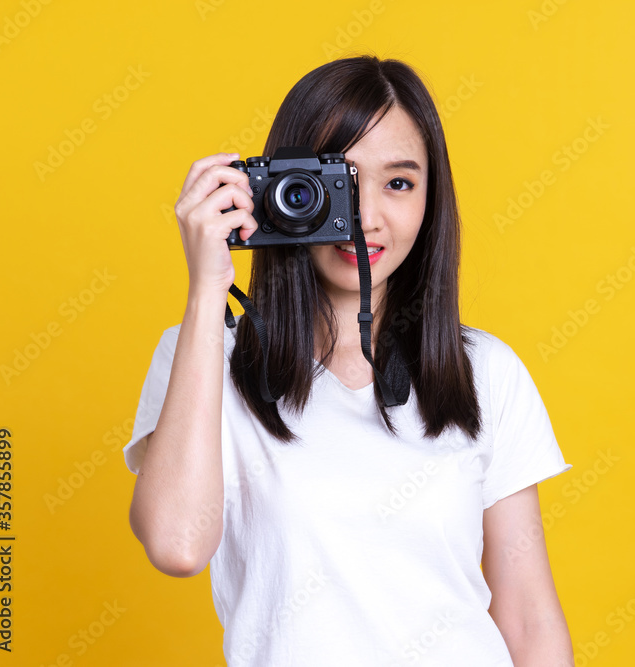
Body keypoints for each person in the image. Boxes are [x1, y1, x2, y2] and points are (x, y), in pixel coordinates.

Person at [123, 55, 573, 666]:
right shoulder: (202, 356)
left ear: (430, 200)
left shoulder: (483, 371)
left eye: (398, 182)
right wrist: (207, 287)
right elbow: (177, 544)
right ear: (278, 185)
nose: (363, 218)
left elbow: (528, 618)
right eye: (337, 182)